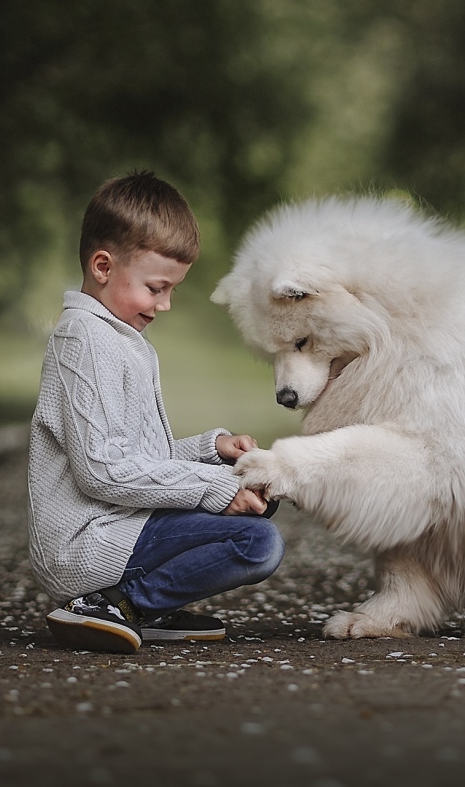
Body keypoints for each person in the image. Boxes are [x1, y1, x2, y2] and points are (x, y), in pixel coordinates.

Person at [28, 171, 283, 654]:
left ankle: (138, 606)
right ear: (103, 267)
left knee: (258, 515)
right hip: (87, 540)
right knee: (257, 544)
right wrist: (215, 488)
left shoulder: (123, 340)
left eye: (171, 290)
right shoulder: (84, 339)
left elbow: (139, 455)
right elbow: (103, 470)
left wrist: (212, 452)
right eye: (156, 287)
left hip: (121, 524)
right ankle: (125, 603)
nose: (164, 304)